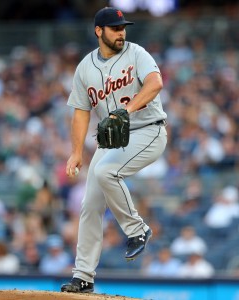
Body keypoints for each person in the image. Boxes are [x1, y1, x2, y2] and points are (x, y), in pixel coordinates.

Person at [61, 6, 167, 293]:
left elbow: (156, 82)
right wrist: (75, 152)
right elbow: (81, 112)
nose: (121, 33)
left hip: (148, 130)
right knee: (90, 204)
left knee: (107, 172)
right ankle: (83, 277)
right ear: (99, 31)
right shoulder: (85, 67)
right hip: (112, 139)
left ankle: (137, 230)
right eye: (115, 28)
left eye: (123, 28)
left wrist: (127, 110)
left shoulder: (136, 53)